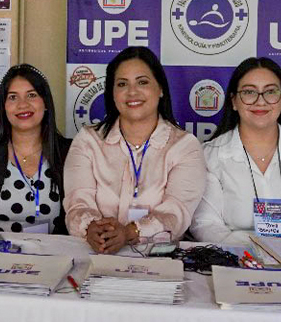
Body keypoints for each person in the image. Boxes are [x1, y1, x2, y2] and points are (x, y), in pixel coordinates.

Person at [64, 46, 205, 253]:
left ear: (160, 89)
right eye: (122, 84)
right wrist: (92, 228)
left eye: (142, 82)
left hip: (158, 258)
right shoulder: (88, 141)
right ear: (112, 93)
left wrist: (129, 232)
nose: (132, 92)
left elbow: (177, 212)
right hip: (97, 252)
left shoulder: (184, 146)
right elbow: (78, 202)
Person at [190, 57, 281, 246]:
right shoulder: (210, 156)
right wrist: (248, 252)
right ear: (234, 102)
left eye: (271, 92)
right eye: (249, 92)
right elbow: (205, 223)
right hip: (236, 257)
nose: (260, 101)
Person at [0, 64, 71, 235]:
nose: (22, 104)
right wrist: (0, 249)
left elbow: (78, 215)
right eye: (12, 97)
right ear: (3, 107)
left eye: (31, 95)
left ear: (46, 103)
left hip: (56, 251)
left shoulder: (70, 152)